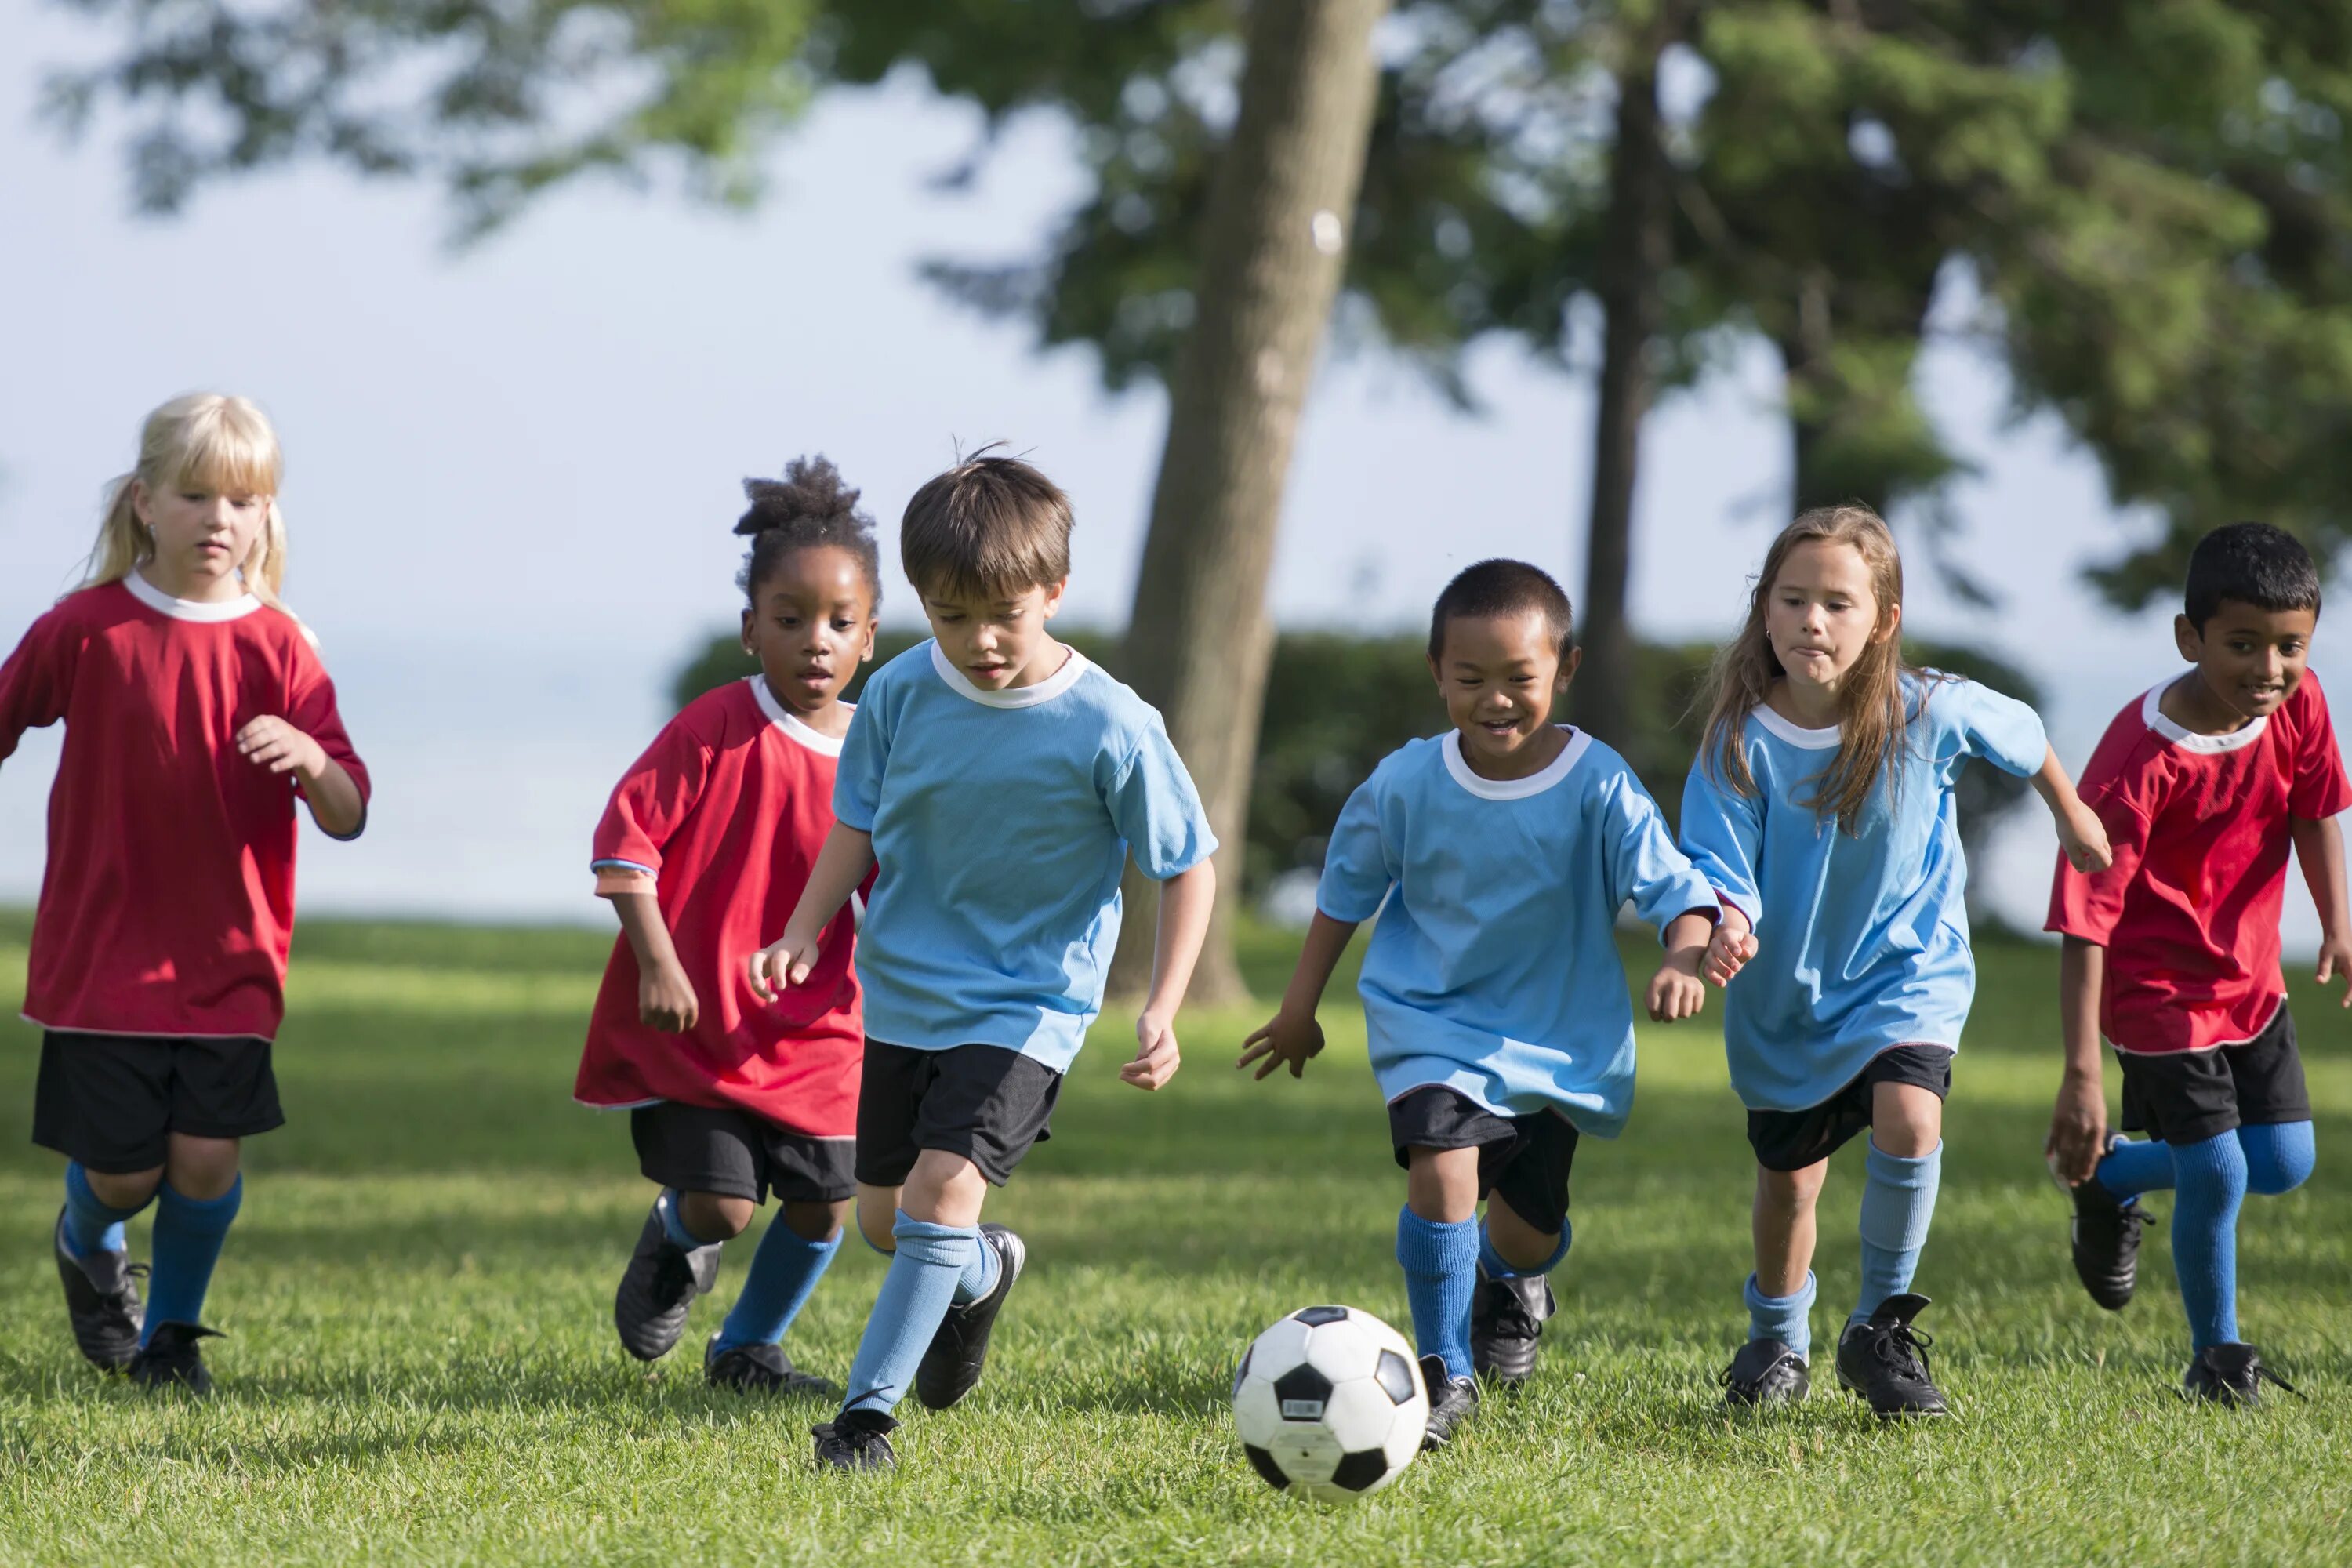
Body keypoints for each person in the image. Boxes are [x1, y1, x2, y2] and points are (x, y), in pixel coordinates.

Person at [750, 451, 1218, 1472]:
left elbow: (1188, 867)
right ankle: (978, 1275)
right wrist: (799, 929)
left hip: (1028, 1006)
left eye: (1005, 613)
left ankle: (862, 1422)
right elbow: (856, 827)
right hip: (907, 997)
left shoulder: (1111, 723)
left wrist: (1164, 1006)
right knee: (887, 1218)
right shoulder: (904, 695)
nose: (982, 642)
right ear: (922, 603)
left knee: (941, 1192)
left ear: (1054, 591)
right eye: (953, 618)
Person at [1238, 560, 1718, 1448]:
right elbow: (1343, 893)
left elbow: (1676, 889)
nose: (1495, 699)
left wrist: (1687, 952)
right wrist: (1299, 1005)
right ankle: (1442, 1368)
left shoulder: (1597, 781)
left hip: (1557, 1039)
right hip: (1433, 1019)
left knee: (1528, 1231)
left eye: (1519, 679)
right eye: (1470, 679)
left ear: (1564, 669)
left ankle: (1513, 1281)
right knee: (1441, 1169)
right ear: (1437, 672)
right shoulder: (1405, 784)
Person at [1682, 504, 2110, 1418]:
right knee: (1789, 1187)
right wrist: (1729, 923)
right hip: (1785, 996)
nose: (1812, 620)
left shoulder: (1930, 707)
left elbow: (2026, 734)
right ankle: (1777, 1335)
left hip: (1906, 973)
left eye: (1838, 602)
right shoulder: (1737, 740)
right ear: (1765, 611)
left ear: (1885, 618)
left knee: (1911, 1119)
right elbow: (1722, 864)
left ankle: (1879, 1326)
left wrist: (2072, 815)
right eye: (1793, 599)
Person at [4, 394, 369, 1396]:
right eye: (195, 493)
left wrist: (307, 756)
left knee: (205, 1160)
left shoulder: (283, 646)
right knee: (123, 1174)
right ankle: (89, 1239)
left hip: (231, 959)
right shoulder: (83, 630)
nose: (219, 518)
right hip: (101, 959)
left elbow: (347, 809)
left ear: (266, 518)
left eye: (243, 500)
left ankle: (169, 1341)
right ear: (144, 504)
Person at [579, 456, 882, 1394]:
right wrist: (659, 965)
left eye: (839, 623)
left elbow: (904, 879)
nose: (815, 642)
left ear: (870, 637)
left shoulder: (883, 750)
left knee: (827, 1207)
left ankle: (747, 1348)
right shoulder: (714, 726)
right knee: (723, 1206)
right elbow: (626, 848)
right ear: (752, 629)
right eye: (790, 620)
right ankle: (677, 1236)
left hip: (826, 1028)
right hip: (704, 1024)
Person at [2045, 521, 2349, 1406]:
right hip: (2157, 996)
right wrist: (2081, 1073)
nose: (2270, 668)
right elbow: (2083, 922)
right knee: (2218, 1171)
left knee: (2284, 1159)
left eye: (2291, 646)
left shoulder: (2300, 703)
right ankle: (2218, 1358)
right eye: (2243, 644)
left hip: (2251, 984)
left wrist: (2336, 922)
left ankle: (2111, 1176)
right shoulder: (2135, 763)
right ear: (2191, 636)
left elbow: (2316, 810)